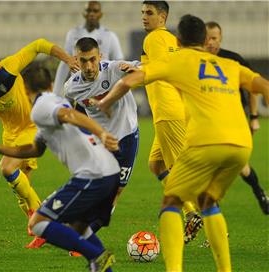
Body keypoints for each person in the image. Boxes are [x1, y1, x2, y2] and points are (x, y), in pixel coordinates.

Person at [97, 14, 269, 272]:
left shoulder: (177, 60)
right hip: (242, 144)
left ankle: (174, 268)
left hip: (207, 141)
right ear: (204, 39)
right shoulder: (228, 64)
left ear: (178, 40)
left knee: (171, 202)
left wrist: (105, 102)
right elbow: (261, 85)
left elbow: (132, 79)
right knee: (207, 200)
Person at [0, 66, 119, 272]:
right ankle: (102, 265)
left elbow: (68, 115)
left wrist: (101, 133)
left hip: (93, 175)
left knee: (38, 223)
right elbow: (35, 149)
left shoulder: (41, 107)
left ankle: (96, 255)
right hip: (109, 171)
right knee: (79, 227)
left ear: (24, 89)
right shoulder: (56, 101)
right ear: (51, 84)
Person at [0, 39, 79, 248]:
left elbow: (38, 45)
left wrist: (68, 59)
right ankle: (44, 229)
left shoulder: (7, 68)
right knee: (20, 189)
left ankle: (38, 216)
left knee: (6, 168)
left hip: (33, 126)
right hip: (10, 134)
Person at [64, 37, 139, 238]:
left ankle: (85, 234)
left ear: (100, 57)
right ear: (76, 60)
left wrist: (136, 70)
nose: (88, 66)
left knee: (116, 191)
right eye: (83, 61)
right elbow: (74, 111)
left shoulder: (115, 69)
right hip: (101, 141)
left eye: (92, 59)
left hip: (127, 137)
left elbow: (147, 68)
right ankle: (78, 229)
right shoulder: (72, 87)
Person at [141, 1, 202, 243]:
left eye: (149, 13)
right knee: (156, 164)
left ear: (162, 17)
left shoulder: (154, 38)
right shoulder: (173, 40)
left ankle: (199, 215)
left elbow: (155, 71)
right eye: (143, 13)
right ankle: (193, 211)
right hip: (176, 110)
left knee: (182, 172)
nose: (144, 17)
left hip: (167, 112)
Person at [205, 21, 269, 215]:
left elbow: (253, 88)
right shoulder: (196, 60)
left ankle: (258, 192)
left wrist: (254, 116)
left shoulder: (234, 60)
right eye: (206, 38)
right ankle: (214, 212)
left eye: (214, 38)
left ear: (221, 38)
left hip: (235, 118)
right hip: (208, 121)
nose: (210, 42)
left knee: (239, 165)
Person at [53, 1, 123, 97]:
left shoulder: (110, 35)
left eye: (95, 11)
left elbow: (119, 63)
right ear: (83, 13)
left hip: (102, 87)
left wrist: (119, 89)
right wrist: (56, 92)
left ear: (100, 14)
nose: (91, 14)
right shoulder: (73, 33)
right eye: (88, 10)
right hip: (78, 87)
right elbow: (65, 63)